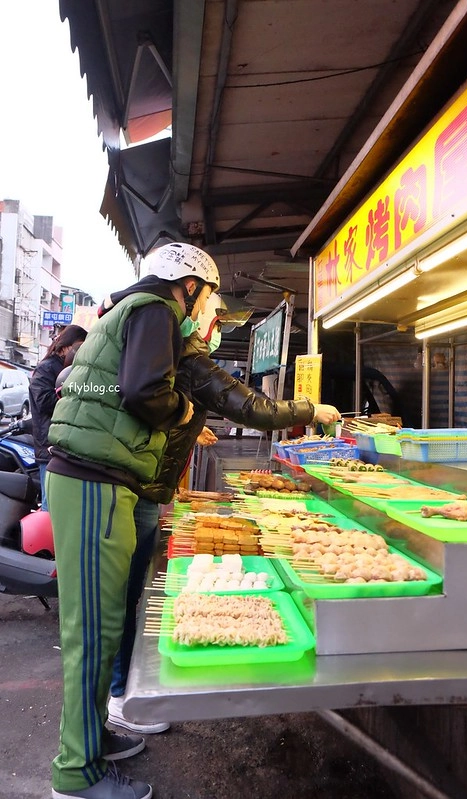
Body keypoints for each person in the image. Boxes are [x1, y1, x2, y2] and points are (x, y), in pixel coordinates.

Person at [101, 291, 341, 734]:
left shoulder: (175, 353)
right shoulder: (186, 356)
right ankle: (118, 695)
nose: (214, 330)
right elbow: (249, 406)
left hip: (147, 488)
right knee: (120, 597)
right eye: (214, 319)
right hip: (134, 487)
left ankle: (115, 695)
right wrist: (311, 409)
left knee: (126, 595)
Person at [46, 242, 220, 799]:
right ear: (189, 285)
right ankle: (76, 775)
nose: (204, 310)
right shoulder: (157, 310)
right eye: (207, 295)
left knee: (102, 625)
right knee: (93, 633)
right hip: (95, 482)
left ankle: (92, 737)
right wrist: (185, 410)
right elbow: (145, 391)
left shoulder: (124, 309)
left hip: (96, 480)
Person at [28, 324, 88, 510]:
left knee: (64, 506)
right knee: (50, 507)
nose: (80, 351)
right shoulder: (46, 368)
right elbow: (44, 401)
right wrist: (72, 396)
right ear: (65, 346)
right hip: (50, 448)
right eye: (78, 346)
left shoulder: (75, 369)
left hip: (67, 447)